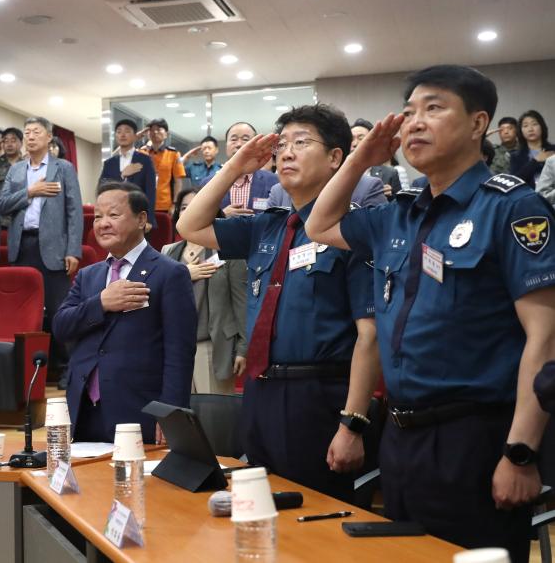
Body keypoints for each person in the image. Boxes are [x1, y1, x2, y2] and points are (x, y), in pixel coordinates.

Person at [306, 64, 555, 562]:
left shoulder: (514, 208)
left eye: (434, 108)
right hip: (401, 436)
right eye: (410, 112)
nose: (414, 122)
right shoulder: (399, 211)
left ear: (477, 122)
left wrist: (520, 452)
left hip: (476, 437)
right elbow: (320, 223)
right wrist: (360, 158)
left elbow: (546, 340)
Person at [178, 104, 379, 504]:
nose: (286, 152)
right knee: (264, 510)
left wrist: (352, 424)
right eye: (282, 144)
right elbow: (190, 226)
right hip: (260, 391)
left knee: (318, 517)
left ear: (336, 157)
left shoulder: (354, 229)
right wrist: (235, 166)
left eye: (301, 143)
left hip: (319, 395)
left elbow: (369, 337)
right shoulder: (266, 224)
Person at [54, 181, 196, 444]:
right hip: (85, 409)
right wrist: (101, 303)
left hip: (138, 409)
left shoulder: (170, 273)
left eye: (113, 215)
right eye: (98, 216)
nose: (102, 223)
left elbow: (180, 351)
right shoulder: (88, 276)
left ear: (141, 219)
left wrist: (171, 413)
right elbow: (61, 326)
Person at [0, 117, 82, 375]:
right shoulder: (15, 170)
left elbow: (74, 211)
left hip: (54, 248)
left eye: (36, 132)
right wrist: (30, 192)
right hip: (22, 246)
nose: (30, 136)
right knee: (26, 311)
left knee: (58, 310)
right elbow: (1, 205)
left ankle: (67, 368)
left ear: (49, 138)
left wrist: (73, 250)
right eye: (27, 132)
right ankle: (30, 371)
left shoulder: (63, 168)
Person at [162, 188, 246, 395]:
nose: (189, 211)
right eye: (183, 207)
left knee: (215, 422)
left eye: (196, 206)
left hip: (212, 347)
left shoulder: (229, 251)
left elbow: (242, 303)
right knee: (180, 420)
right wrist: (183, 274)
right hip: (174, 350)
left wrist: (244, 348)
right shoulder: (168, 252)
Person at [99, 118, 157, 230]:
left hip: (137, 216)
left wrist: (149, 218)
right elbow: (102, 189)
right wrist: (122, 174)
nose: (122, 134)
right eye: (119, 131)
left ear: (135, 136)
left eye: (127, 131)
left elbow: (151, 191)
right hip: (113, 216)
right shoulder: (109, 163)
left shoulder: (145, 160)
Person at [216, 122, 279, 216]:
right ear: (226, 145)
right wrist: (222, 215)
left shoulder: (275, 181)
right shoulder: (208, 183)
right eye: (233, 139)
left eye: (245, 139)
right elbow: (199, 220)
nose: (239, 144)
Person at [140, 118, 186, 214]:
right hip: (143, 204)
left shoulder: (174, 154)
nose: (155, 132)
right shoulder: (142, 153)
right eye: (151, 130)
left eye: (159, 129)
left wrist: (175, 204)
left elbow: (178, 182)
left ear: (166, 134)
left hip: (165, 205)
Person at [351, 118, 402, 200]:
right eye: (351, 139)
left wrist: (390, 196)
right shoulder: (338, 172)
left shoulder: (390, 174)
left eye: (360, 138)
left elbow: (401, 206)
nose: (355, 143)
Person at [510, 110, 555, 187]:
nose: (530, 129)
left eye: (534, 124)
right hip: (528, 197)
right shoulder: (515, 156)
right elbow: (514, 182)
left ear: (542, 127)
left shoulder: (553, 150)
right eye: (525, 126)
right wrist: (535, 161)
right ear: (521, 131)